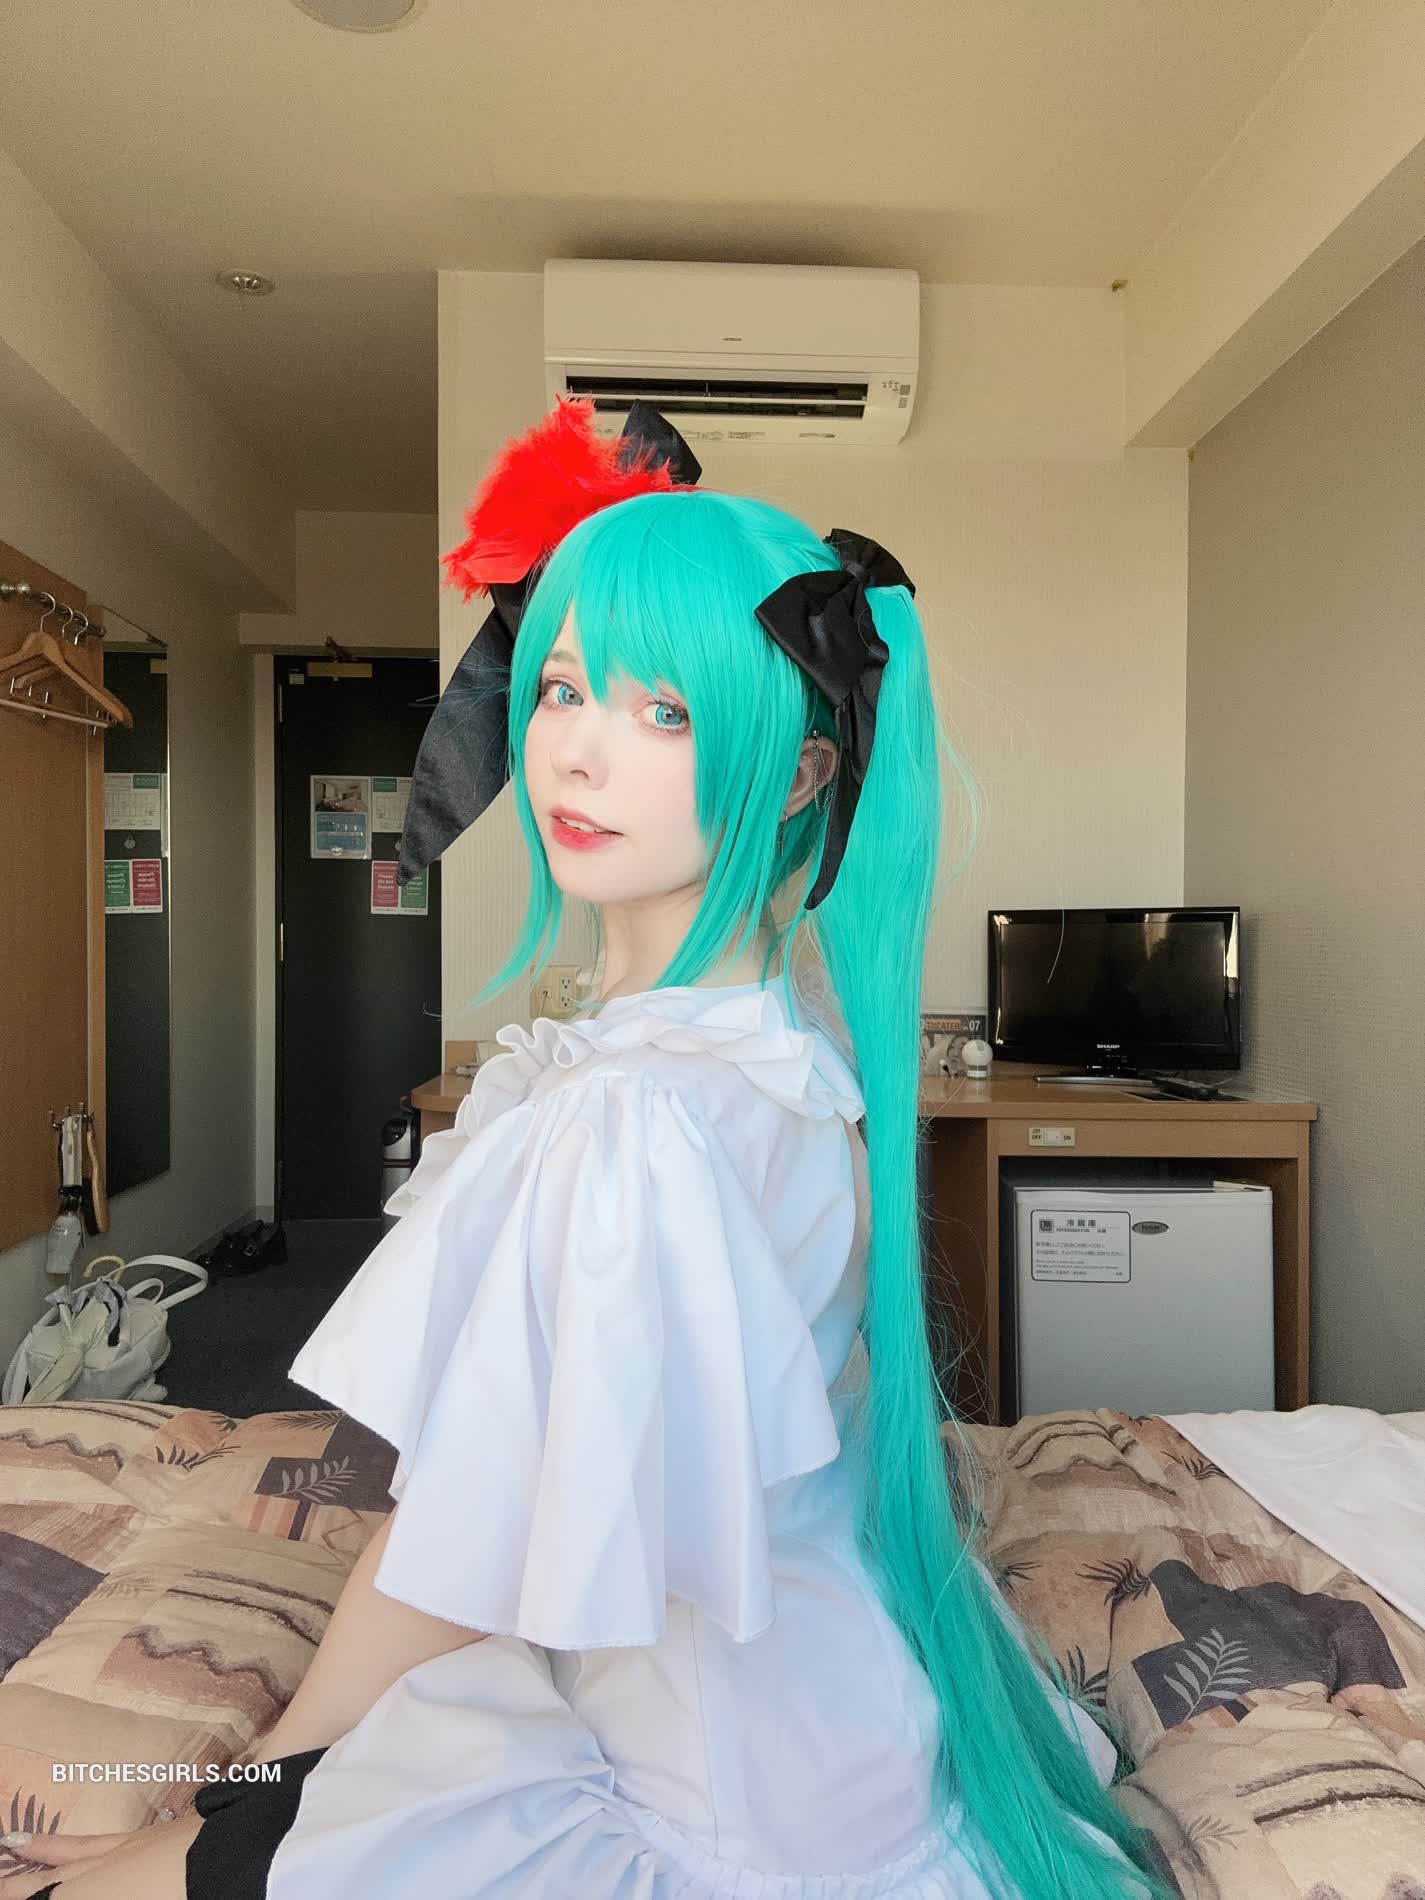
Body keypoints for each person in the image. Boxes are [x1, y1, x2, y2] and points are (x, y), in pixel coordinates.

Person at [1, 400, 1170, 1900]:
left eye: (666, 713)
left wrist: (267, 1776)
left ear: (797, 775)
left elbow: (464, 1542)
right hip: (833, 1698)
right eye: (561, 690)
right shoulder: (769, 1038)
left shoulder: (635, 1117)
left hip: (711, 1785)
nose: (580, 755)